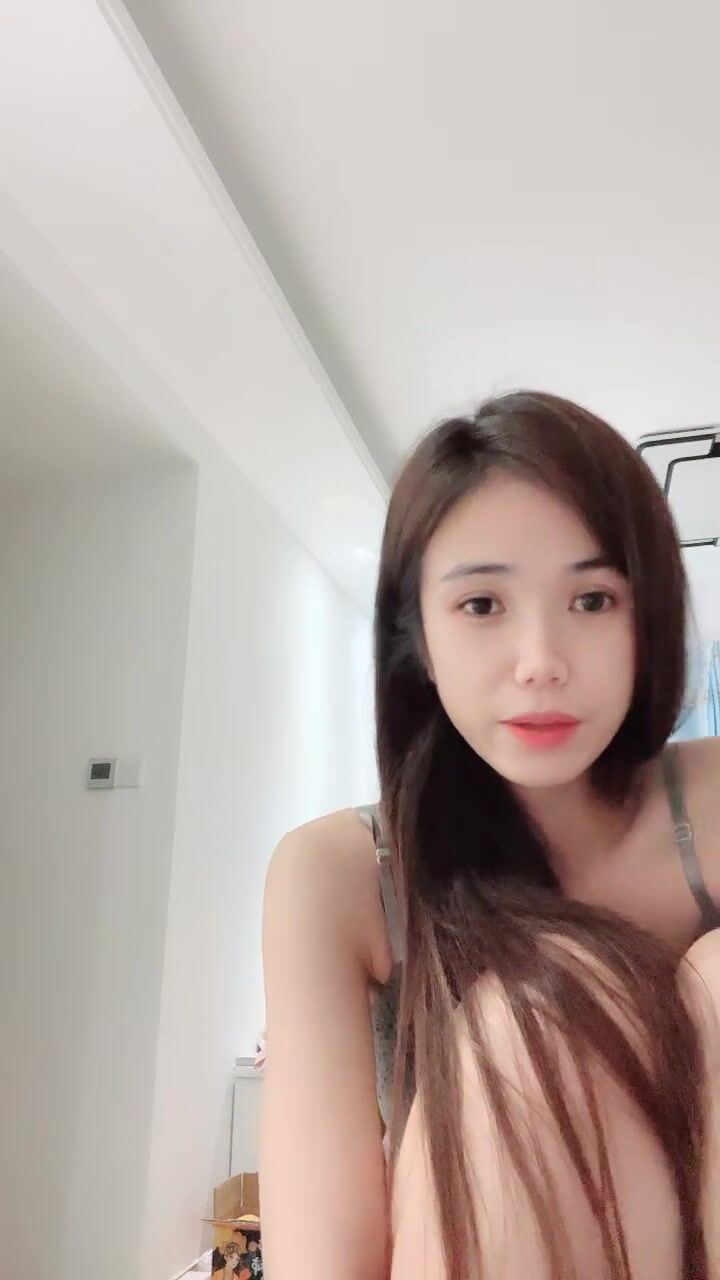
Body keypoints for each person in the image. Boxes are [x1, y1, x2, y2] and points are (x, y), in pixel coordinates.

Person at [259, 391, 720, 1280]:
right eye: (481, 605)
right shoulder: (342, 875)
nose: (541, 659)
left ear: (648, 621)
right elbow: (323, 1258)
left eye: (592, 599)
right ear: (420, 641)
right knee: (540, 1020)